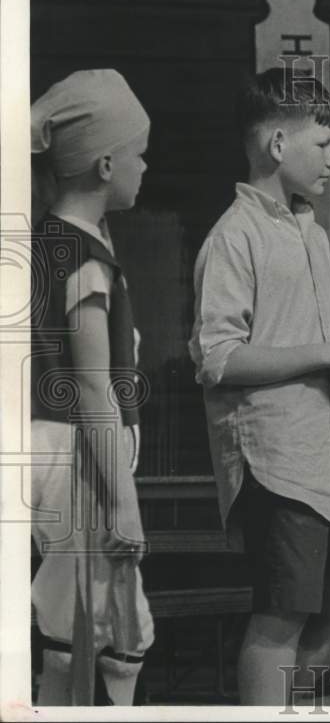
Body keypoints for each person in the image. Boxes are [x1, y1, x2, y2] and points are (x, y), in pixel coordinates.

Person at [189, 68, 330, 706]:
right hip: (278, 463)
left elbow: (320, 346)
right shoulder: (234, 236)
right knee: (279, 621)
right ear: (279, 145)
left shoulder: (312, 233)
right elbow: (217, 358)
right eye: (324, 143)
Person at [30, 68, 154, 705]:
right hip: (81, 457)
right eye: (139, 156)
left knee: (79, 611)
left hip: (59, 451)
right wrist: (124, 502)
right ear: (106, 164)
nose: (143, 169)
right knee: (100, 621)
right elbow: (93, 387)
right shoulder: (82, 259)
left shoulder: (48, 242)